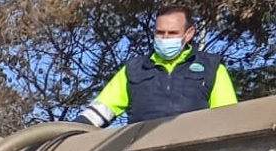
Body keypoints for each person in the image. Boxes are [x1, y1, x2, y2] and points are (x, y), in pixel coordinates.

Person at [78, 7, 237, 128]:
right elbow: (101, 110)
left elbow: (227, 118)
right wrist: (70, 131)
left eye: (172, 33)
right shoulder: (134, 69)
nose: (165, 38)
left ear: (189, 34)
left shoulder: (212, 67)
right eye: (160, 32)